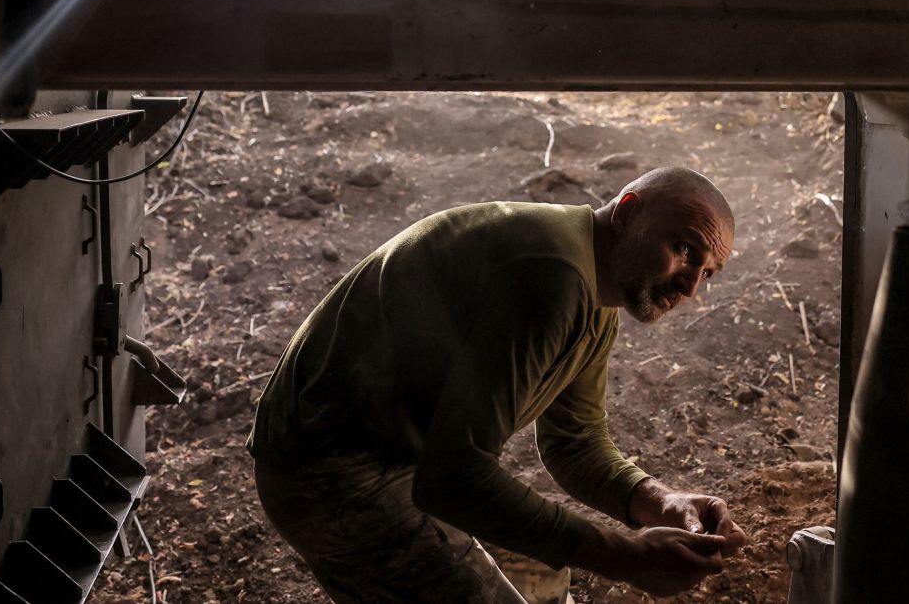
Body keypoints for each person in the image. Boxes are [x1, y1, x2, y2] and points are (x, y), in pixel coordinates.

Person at [247, 165, 747, 602]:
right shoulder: (552, 276)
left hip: (402, 461)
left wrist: (658, 501)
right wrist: (624, 556)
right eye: (683, 250)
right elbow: (454, 478)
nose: (690, 286)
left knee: (544, 576)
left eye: (708, 272)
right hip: (329, 474)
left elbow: (574, 443)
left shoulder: (594, 292)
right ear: (627, 212)